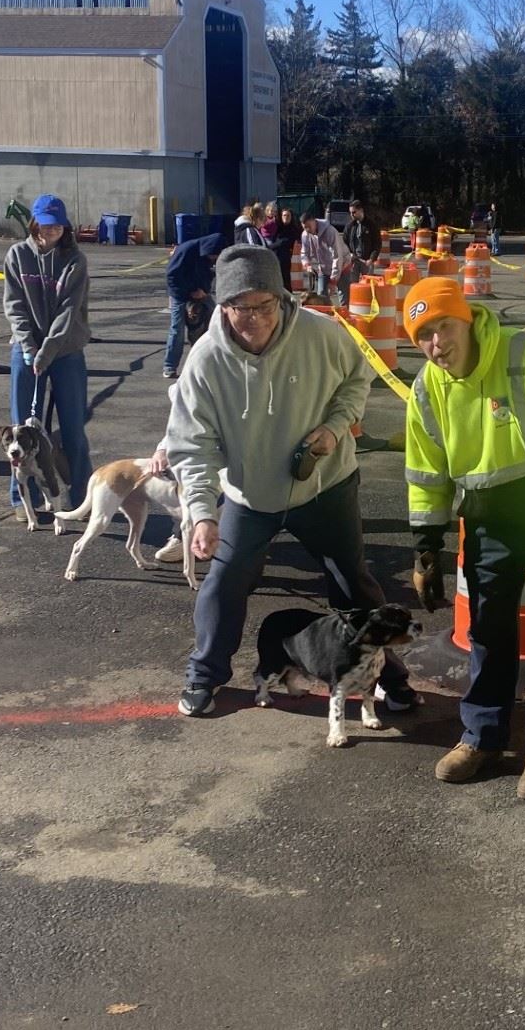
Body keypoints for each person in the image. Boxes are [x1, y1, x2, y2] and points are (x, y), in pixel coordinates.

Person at [166, 244, 419, 717]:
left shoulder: (322, 334)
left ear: (282, 299)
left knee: (355, 588)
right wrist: (201, 513)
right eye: (241, 308)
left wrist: (336, 426)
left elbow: (357, 380)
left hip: (326, 486)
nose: (255, 319)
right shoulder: (203, 362)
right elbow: (190, 444)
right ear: (223, 306)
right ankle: (205, 675)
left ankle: (390, 678)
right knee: (223, 583)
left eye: (265, 305)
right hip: (250, 495)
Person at [403, 277, 525, 801]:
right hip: (490, 522)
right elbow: (426, 473)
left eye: (442, 326)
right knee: (490, 631)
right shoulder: (426, 388)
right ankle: (482, 736)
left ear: (466, 319)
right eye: (423, 335)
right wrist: (426, 548)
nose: (436, 343)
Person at [2, 193, 93, 513]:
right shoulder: (17, 255)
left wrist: (49, 349)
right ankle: (23, 498)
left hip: (66, 351)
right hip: (25, 352)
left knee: (73, 429)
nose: (51, 230)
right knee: (22, 428)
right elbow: (14, 306)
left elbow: (69, 310)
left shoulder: (75, 260)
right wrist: (28, 346)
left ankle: (81, 497)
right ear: (34, 222)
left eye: (58, 225)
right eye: (46, 224)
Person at [162, 233, 224, 379]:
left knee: (217, 319)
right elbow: (172, 276)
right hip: (180, 294)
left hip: (200, 292)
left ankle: (210, 363)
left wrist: (203, 291)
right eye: (214, 256)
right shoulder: (187, 250)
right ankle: (169, 366)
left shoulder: (208, 256)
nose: (214, 259)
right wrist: (191, 291)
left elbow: (208, 275)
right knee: (177, 329)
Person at [300, 209, 354, 306]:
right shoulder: (305, 235)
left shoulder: (330, 232)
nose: (307, 230)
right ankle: (325, 317)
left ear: (314, 221)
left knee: (344, 296)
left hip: (342, 265)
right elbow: (304, 253)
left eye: (309, 226)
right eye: (305, 228)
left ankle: (344, 317)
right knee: (321, 297)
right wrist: (307, 265)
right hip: (324, 268)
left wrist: (333, 281)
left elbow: (338, 256)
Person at [343, 199, 380, 278]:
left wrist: (372, 258)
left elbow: (377, 243)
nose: (352, 215)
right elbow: (344, 242)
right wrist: (349, 254)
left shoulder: (371, 225)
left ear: (361, 210)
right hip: (353, 261)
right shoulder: (349, 226)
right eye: (350, 213)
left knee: (367, 286)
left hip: (367, 261)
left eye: (354, 212)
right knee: (353, 286)